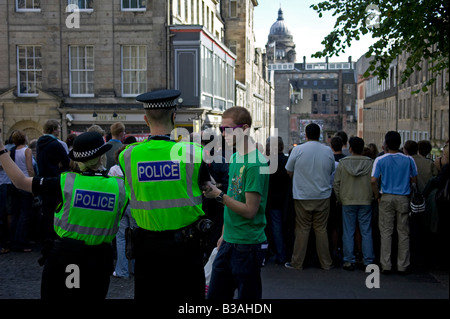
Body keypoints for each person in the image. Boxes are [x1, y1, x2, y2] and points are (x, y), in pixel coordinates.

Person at [0, 131, 129, 299]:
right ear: (101, 157)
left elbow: (20, 182)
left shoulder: (65, 182)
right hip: (99, 260)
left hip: (67, 256)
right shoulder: (120, 187)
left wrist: (2, 151)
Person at [119, 89, 212, 300]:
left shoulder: (127, 156)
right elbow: (207, 188)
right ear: (174, 116)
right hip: (186, 248)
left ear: (145, 119)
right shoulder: (194, 153)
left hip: (147, 249)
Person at [203, 106, 269, 300]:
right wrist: (224, 233)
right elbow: (233, 196)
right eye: (221, 129)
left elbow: (250, 210)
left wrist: (218, 194)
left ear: (245, 128)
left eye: (228, 129)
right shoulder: (235, 157)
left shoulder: (255, 163)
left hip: (247, 245)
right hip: (229, 241)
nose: (223, 134)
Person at [284, 123, 335, 271]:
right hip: (323, 195)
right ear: (319, 135)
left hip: (302, 195)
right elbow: (331, 170)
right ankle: (326, 263)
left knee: (302, 229)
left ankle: (297, 262)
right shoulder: (327, 151)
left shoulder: (298, 149)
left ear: (305, 135)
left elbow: (289, 170)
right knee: (321, 229)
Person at [371, 131, 418, 274]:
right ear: (400, 144)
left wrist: (377, 195)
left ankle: (386, 264)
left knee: (386, 232)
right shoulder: (409, 160)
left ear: (385, 144)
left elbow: (373, 180)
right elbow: (414, 179)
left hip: (386, 197)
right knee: (403, 232)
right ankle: (402, 265)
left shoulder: (380, 160)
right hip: (403, 197)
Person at [333, 136, 375, 271]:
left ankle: (348, 260)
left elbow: (336, 183)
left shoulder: (343, 163)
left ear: (350, 148)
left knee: (348, 231)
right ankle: (368, 260)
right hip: (365, 200)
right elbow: (375, 181)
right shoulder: (370, 163)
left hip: (348, 200)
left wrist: (340, 198)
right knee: (366, 231)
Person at [36, 120, 71, 244]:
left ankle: (47, 238)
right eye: (59, 128)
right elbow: (67, 162)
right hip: (55, 180)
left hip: (42, 180)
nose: (60, 130)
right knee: (57, 210)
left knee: (46, 211)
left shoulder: (39, 143)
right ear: (54, 129)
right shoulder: (55, 144)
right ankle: (56, 237)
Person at [200, 129, 229, 263]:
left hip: (203, 201)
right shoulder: (221, 160)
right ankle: (212, 251)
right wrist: (217, 187)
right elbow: (226, 182)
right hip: (217, 201)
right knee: (216, 228)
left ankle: (205, 251)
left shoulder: (197, 158)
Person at [109, 145, 137, 279]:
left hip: (120, 205)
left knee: (121, 238)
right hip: (135, 204)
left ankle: (122, 271)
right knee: (137, 236)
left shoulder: (114, 170)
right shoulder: (135, 168)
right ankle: (138, 268)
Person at [265, 136, 290, 265]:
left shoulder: (268, 164)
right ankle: (284, 253)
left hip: (273, 201)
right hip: (287, 199)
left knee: (275, 228)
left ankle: (280, 254)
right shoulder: (288, 161)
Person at [9, 130, 35, 252]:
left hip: (15, 184)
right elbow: (30, 169)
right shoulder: (27, 151)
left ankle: (13, 239)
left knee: (16, 214)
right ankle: (20, 241)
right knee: (25, 214)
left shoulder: (13, 151)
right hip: (26, 183)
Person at [329, 136, 346, 266]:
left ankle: (331, 250)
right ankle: (342, 250)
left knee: (329, 225)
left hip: (330, 195)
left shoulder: (328, 161)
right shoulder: (346, 161)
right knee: (343, 226)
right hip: (344, 195)